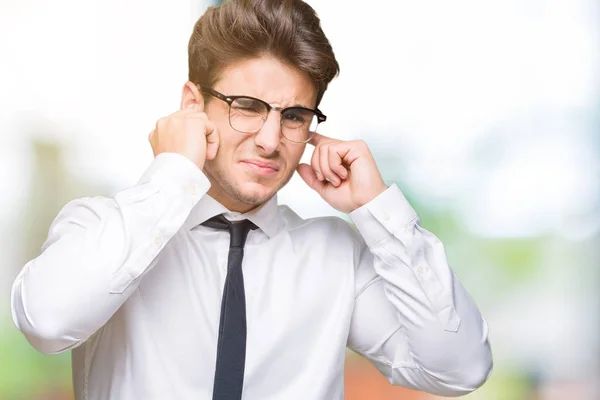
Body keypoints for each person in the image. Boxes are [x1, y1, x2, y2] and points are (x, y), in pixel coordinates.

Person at [11, 0, 493, 399]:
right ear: (192, 104)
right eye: (247, 107)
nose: (269, 139)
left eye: (293, 116)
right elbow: (47, 323)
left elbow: (459, 369)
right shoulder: (102, 229)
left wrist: (379, 210)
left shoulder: (334, 256)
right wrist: (174, 173)